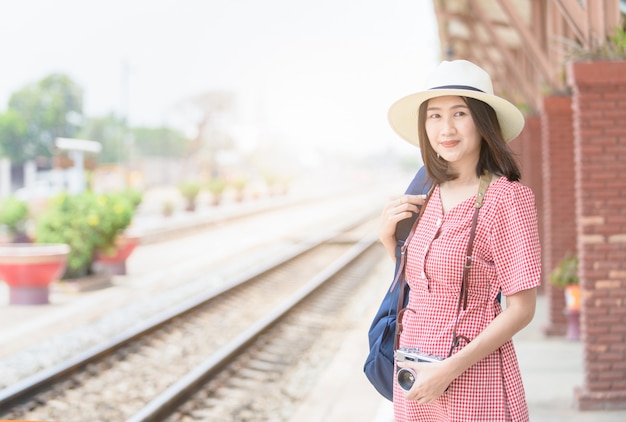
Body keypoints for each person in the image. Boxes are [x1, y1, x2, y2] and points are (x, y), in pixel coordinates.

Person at [379, 59, 541, 421]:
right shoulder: (425, 191)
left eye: (459, 113)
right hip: (414, 373)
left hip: (472, 375)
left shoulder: (507, 199)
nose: (445, 128)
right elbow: (425, 287)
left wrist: (449, 369)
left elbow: (522, 309)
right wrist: (388, 242)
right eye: (434, 115)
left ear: (483, 123)